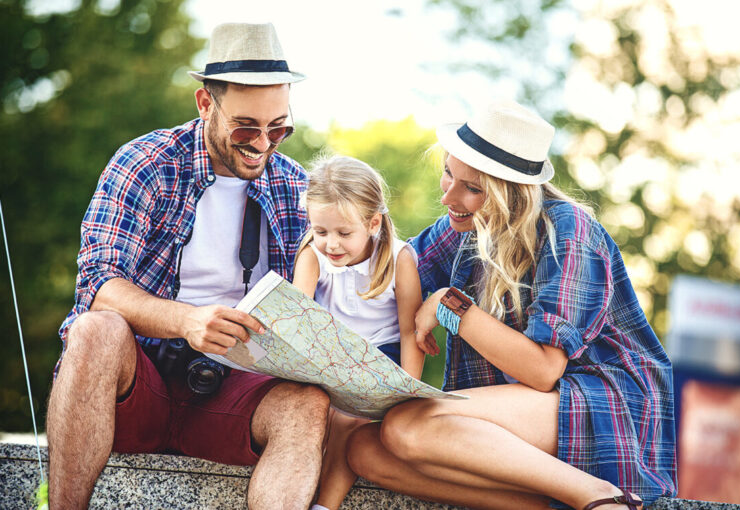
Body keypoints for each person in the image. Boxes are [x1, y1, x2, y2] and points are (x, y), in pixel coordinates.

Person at [46, 23, 330, 510]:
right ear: (205, 104)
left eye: (279, 128)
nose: (263, 143)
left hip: (231, 392)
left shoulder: (294, 185)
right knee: (95, 331)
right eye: (246, 127)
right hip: (139, 382)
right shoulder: (144, 163)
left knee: (308, 405)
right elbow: (98, 286)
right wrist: (188, 321)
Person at [345, 98, 677, 510]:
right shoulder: (470, 223)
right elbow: (407, 257)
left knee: (406, 427)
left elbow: (542, 370)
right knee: (363, 448)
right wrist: (406, 380)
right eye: (448, 172)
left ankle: (598, 495)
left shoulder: (569, 231)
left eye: (472, 189)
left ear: (512, 195)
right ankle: (554, 503)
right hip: (518, 420)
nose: (449, 196)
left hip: (598, 407)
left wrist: (449, 307)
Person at [291, 155, 425, 510]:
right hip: (329, 352)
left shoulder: (400, 259)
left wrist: (409, 387)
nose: (331, 244)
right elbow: (298, 321)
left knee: (350, 415)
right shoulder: (312, 256)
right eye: (320, 231)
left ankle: (325, 505)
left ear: (373, 223)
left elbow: (411, 331)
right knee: (308, 407)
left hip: (382, 356)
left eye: (343, 233)